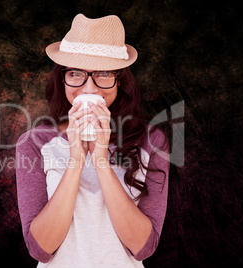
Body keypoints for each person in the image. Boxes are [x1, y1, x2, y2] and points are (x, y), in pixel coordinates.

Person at [15, 14, 169, 267]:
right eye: (76, 73)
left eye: (104, 73)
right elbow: (41, 250)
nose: (89, 89)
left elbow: (143, 248)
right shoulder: (34, 143)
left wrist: (100, 160)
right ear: (61, 77)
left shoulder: (151, 140)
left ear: (120, 79)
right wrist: (76, 159)